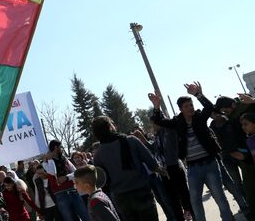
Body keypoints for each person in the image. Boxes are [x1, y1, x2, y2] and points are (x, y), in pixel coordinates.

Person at [150, 82, 233, 221]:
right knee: (195, 202)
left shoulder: (200, 118)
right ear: (181, 109)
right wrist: (157, 106)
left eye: (191, 105)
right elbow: (159, 120)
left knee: (220, 198)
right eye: (186, 106)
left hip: (210, 164)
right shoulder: (177, 122)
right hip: (193, 168)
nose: (190, 108)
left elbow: (210, 107)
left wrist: (198, 95)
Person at [92, 116, 163, 221]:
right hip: (141, 191)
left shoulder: (98, 154)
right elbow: (152, 163)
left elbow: (102, 181)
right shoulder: (131, 141)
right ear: (110, 127)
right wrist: (163, 172)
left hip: (121, 198)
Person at [217, 95, 255, 221]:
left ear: (232, 105)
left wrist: (253, 102)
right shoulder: (231, 117)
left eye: (225, 110)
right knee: (249, 192)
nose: (224, 113)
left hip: (248, 156)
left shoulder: (247, 107)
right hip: (245, 158)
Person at [47, 140, 90, 221]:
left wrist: (66, 177)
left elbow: (75, 172)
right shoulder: (46, 162)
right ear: (56, 147)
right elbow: (52, 173)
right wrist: (49, 160)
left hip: (73, 191)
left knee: (85, 215)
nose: (62, 149)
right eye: (60, 147)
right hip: (60, 195)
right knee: (69, 218)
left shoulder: (65, 159)